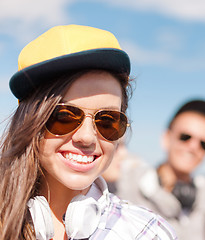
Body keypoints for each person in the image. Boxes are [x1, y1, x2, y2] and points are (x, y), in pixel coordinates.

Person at [0, 24, 177, 240]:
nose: (87, 137)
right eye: (64, 116)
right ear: (30, 121)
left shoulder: (148, 233)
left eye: (108, 121)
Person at [117, 99, 205, 240]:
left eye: (204, 144)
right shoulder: (126, 183)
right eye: (185, 137)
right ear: (166, 138)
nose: (193, 147)